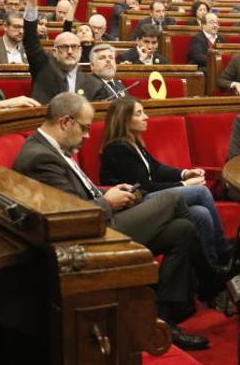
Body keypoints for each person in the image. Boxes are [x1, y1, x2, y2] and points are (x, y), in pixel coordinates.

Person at [13, 93, 214, 351]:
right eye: (85, 128)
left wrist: (107, 191)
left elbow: (79, 192)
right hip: (88, 237)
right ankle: (210, 281)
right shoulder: (40, 156)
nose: (88, 135)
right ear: (65, 122)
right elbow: (74, 214)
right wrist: (108, 201)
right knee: (174, 200)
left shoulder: (51, 148)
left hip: (100, 220)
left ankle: (163, 317)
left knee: (182, 230)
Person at [100, 97, 231, 270]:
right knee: (201, 192)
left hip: (146, 198)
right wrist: (184, 185)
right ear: (124, 119)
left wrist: (185, 173)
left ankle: (212, 270)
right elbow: (144, 186)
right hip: (134, 205)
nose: (146, 117)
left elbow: (157, 169)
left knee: (201, 213)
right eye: (139, 114)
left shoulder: (132, 142)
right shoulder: (117, 148)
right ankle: (225, 255)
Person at [21, 0, 94, 103]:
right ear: (54, 52)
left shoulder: (88, 80)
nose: (70, 51)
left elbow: (66, 33)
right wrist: (32, 1)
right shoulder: (43, 68)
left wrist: (73, 7)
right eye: (64, 48)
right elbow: (30, 39)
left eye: (74, 47)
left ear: (80, 50)